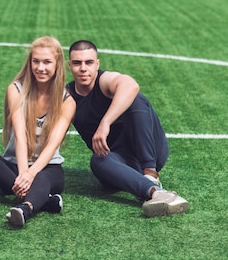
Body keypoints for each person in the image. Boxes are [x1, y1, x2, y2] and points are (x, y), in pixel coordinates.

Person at [67, 40, 189, 217]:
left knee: (135, 99)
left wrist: (105, 123)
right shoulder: (68, 97)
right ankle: (156, 193)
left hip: (151, 153)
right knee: (98, 161)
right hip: (118, 163)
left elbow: (130, 85)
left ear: (97, 64)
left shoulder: (104, 81)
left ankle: (150, 174)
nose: (83, 68)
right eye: (77, 63)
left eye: (89, 62)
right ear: (69, 65)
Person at [0, 36, 75, 226]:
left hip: (48, 168)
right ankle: (45, 201)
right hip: (15, 166)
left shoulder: (67, 101)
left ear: (57, 64)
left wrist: (30, 174)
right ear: (30, 62)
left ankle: (25, 208)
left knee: (42, 176)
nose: (40, 67)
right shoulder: (16, 89)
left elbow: (53, 144)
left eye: (47, 62)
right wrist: (23, 174)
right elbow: (20, 135)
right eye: (36, 61)